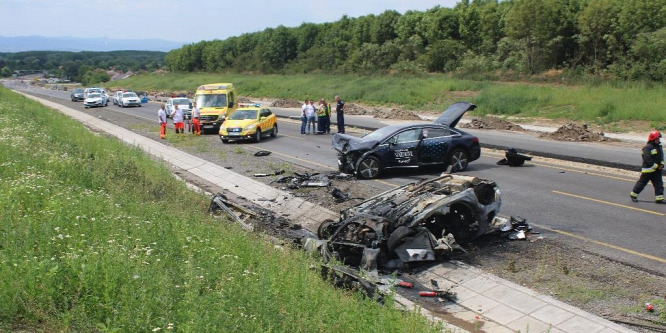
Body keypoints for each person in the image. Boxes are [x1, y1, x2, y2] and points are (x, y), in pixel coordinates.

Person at [630, 130, 664, 203]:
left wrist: (662, 164)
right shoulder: (647, 148)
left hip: (657, 170)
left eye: (659, 139)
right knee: (641, 184)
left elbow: (661, 157)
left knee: (659, 184)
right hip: (648, 171)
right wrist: (656, 166)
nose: (658, 140)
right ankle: (633, 195)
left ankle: (659, 198)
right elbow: (648, 160)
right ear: (653, 139)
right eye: (657, 139)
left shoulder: (659, 147)